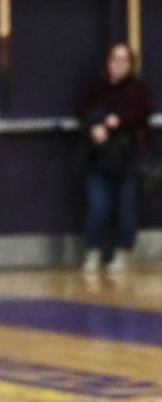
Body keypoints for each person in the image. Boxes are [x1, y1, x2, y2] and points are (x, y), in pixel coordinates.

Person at [77, 42, 153, 275]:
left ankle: (122, 253)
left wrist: (116, 123)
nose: (118, 65)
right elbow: (81, 111)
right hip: (98, 158)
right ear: (107, 63)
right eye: (114, 59)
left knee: (127, 208)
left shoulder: (139, 91)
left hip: (127, 157)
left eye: (124, 60)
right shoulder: (96, 91)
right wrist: (95, 127)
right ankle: (93, 251)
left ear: (131, 64)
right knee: (98, 206)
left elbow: (141, 113)